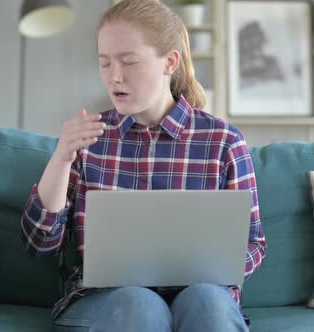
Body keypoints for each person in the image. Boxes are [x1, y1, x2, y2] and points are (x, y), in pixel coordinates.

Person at [20, 0, 266, 331]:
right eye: (104, 63)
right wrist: (62, 155)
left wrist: (217, 269)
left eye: (129, 61)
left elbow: (254, 243)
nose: (114, 76)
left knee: (207, 301)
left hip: (203, 298)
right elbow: (40, 243)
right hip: (107, 300)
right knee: (140, 304)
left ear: (170, 62)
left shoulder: (223, 141)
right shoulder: (88, 139)